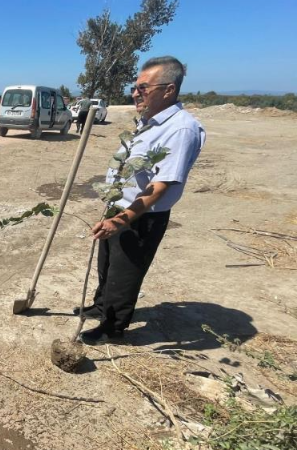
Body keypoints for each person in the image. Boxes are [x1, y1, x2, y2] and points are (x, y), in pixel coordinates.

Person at [77, 56, 206, 345]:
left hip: (141, 216)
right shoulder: (148, 123)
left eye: (143, 88)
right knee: (107, 265)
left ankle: (113, 327)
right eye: (135, 88)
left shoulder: (181, 129)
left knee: (125, 273)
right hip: (118, 208)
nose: (136, 93)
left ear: (169, 90)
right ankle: (101, 307)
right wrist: (112, 209)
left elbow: (159, 187)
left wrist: (120, 220)